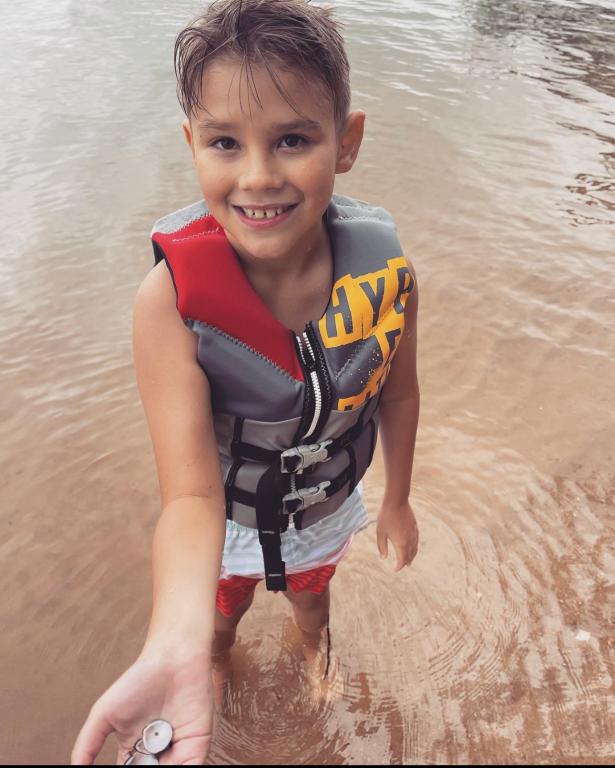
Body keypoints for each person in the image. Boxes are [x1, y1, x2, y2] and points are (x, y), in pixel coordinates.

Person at [71, 0, 419, 764]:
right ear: (192, 144)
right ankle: (211, 663)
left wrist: (394, 500)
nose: (259, 176)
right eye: (225, 142)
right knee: (219, 613)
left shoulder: (385, 273)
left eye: (294, 139)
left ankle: (311, 656)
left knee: (311, 598)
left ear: (346, 141)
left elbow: (397, 390)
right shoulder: (170, 305)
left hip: (326, 503)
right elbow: (189, 495)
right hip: (224, 521)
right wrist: (173, 639)